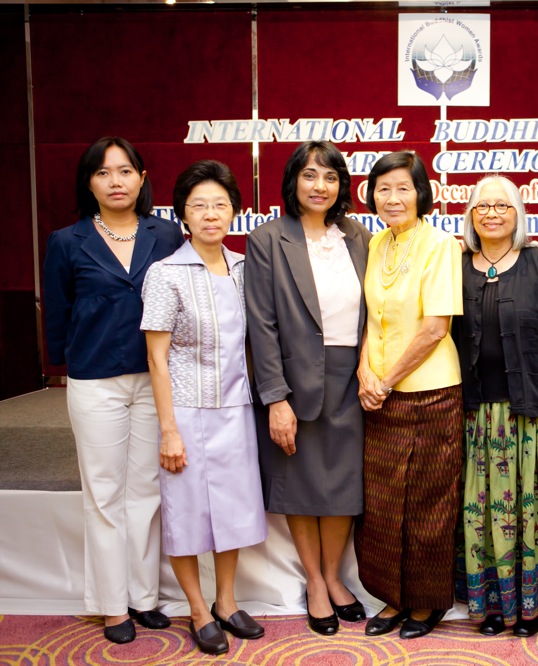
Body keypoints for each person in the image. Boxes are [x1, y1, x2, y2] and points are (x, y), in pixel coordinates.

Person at [43, 137, 183, 644]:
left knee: (145, 492)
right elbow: (57, 314)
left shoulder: (165, 235)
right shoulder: (66, 240)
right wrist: (67, 363)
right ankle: (111, 605)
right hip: (94, 379)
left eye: (125, 171)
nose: (116, 181)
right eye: (104, 173)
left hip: (154, 380)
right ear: (89, 182)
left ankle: (144, 597)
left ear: (143, 178)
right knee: (103, 494)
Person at [245, 141, 371, 636]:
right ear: (293, 181)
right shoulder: (267, 239)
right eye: (310, 176)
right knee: (299, 484)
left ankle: (337, 577)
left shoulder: (358, 236)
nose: (320, 187)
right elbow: (261, 324)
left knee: (343, 484)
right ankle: (315, 583)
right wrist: (275, 397)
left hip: (351, 377)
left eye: (331, 177)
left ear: (341, 186)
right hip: (294, 380)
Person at [142, 160, 267, 655]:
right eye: (199, 206)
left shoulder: (244, 268)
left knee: (232, 511)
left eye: (220, 204)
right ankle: (197, 608)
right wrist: (168, 430)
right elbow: (156, 356)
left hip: (236, 407)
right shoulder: (165, 273)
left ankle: (226, 600)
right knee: (188, 514)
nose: (211, 214)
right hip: (187, 411)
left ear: (234, 210)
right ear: (182, 215)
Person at [453, 175, 538, 638]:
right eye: (481, 205)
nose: (491, 213)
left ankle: (530, 609)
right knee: (480, 510)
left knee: (531, 511)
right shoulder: (457, 265)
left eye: (502, 206)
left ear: (518, 215)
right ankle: (489, 607)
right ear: (469, 215)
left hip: (530, 414)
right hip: (473, 415)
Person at [354, 151, 463, 640]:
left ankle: (424, 604)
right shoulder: (376, 242)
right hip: (379, 395)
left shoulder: (440, 245)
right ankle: (393, 598)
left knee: (427, 505)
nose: (392, 197)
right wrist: (363, 373)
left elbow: (435, 327)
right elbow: (370, 319)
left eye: (403, 187)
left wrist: (387, 379)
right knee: (382, 505)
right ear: (370, 194)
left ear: (421, 192)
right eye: (382, 188)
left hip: (430, 394)